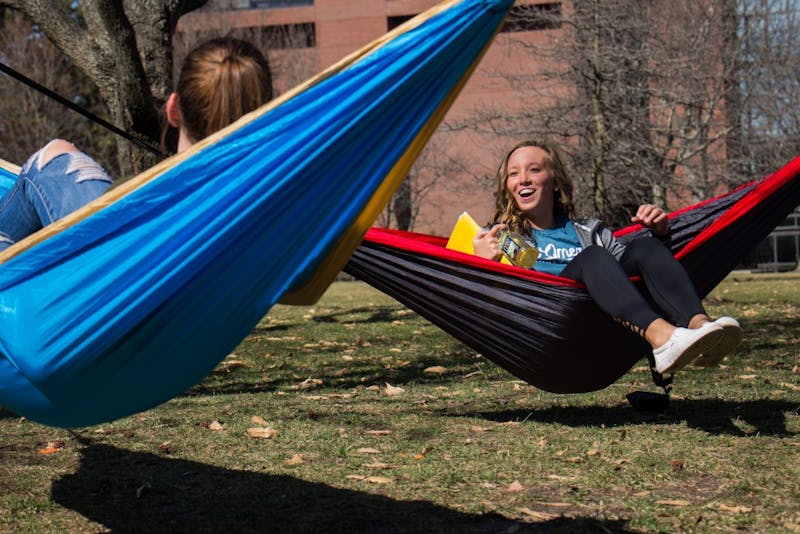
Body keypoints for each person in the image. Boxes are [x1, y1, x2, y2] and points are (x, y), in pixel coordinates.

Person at [474, 139, 742, 374]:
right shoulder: (496, 238)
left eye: (534, 170)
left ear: (555, 181)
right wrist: (482, 266)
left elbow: (637, 279)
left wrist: (661, 235)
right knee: (593, 257)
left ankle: (700, 327)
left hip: (604, 324)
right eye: (513, 173)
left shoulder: (590, 231)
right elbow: (479, 311)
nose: (523, 179)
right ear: (507, 184)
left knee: (643, 248)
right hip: (551, 326)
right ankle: (663, 338)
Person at [0, 37, 272, 252]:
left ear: (173, 110)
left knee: (53, 156)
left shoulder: (144, 197)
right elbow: (300, 288)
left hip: (89, 290)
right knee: (57, 153)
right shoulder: (277, 203)